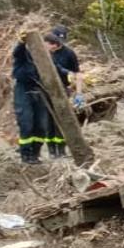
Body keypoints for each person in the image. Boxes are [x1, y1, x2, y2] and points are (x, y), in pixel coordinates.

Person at [9, 30, 61, 165]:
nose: (55, 47)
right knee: (26, 123)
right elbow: (17, 53)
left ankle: (35, 154)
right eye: (53, 44)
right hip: (23, 90)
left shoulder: (49, 60)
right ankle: (25, 154)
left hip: (40, 92)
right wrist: (21, 43)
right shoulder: (25, 55)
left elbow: (56, 74)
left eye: (56, 45)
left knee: (41, 126)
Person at [45, 25, 82, 160]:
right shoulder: (44, 52)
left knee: (62, 120)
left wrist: (79, 93)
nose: (55, 46)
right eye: (54, 42)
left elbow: (77, 73)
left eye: (58, 42)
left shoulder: (69, 53)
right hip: (46, 90)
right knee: (49, 121)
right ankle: (51, 151)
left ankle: (61, 150)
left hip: (62, 89)